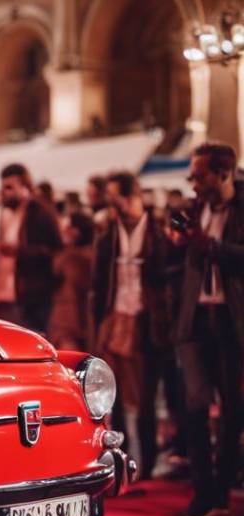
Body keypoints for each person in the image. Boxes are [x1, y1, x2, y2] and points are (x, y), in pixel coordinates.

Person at [174, 141, 244, 516]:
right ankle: (202, 494)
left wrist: (212, 245)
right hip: (196, 319)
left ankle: (221, 495)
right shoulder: (195, 209)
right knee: (195, 405)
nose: (193, 183)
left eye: (199, 176)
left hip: (232, 321)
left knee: (233, 410)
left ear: (224, 174)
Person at [92, 172, 170, 478]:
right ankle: (121, 461)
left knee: (146, 396)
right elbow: (98, 285)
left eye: (114, 197)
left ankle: (147, 463)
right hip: (114, 319)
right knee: (115, 396)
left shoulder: (158, 231)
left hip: (147, 322)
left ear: (129, 196)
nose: (110, 203)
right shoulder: (108, 234)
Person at [0, 163, 62, 332]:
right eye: (3, 187)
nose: (4, 192)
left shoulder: (39, 212)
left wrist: (20, 251)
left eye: (9, 187)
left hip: (29, 295)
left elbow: (55, 250)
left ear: (24, 187)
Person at [48, 211, 94, 350]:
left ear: (76, 232)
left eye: (68, 227)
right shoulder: (92, 255)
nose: (63, 231)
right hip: (81, 318)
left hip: (67, 319)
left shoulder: (70, 258)